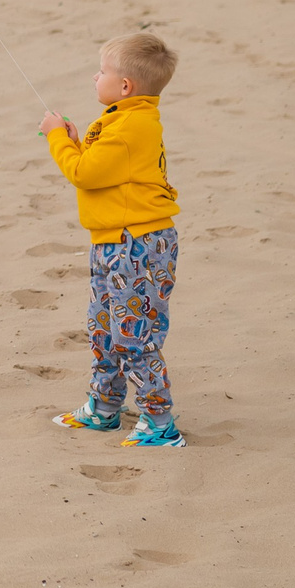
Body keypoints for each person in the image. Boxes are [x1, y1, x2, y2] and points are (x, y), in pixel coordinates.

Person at [40, 32, 184, 449]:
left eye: (102, 71)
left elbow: (84, 174)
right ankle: (104, 408)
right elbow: (99, 163)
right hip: (113, 242)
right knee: (103, 328)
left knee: (134, 336)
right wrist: (75, 139)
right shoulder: (124, 118)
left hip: (136, 246)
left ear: (125, 86)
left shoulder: (131, 125)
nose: (94, 76)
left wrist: (54, 138)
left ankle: (160, 423)